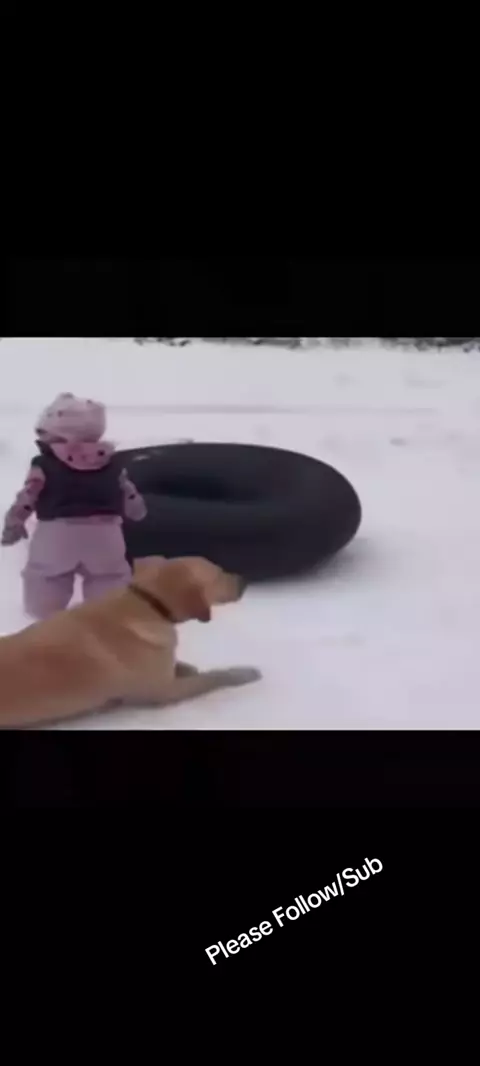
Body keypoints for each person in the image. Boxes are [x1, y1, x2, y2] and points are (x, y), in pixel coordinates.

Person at [1, 392, 147, 619]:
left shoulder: (43, 464)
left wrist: (14, 522)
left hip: (56, 536)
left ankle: (45, 619)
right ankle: (106, 619)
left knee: (46, 577)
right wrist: (136, 511)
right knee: (109, 577)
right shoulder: (114, 463)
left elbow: (28, 496)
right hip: (106, 535)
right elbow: (128, 493)